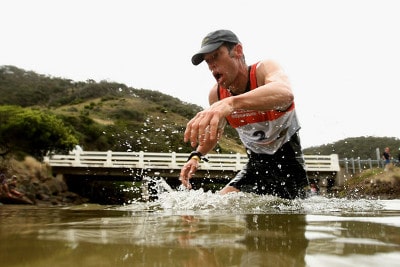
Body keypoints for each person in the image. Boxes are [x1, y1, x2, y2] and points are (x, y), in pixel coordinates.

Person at [179, 29, 309, 199]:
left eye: (216, 56)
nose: (211, 66)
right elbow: (214, 134)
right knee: (219, 205)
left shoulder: (263, 70)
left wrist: (232, 103)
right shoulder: (216, 95)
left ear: (238, 51)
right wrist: (196, 156)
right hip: (256, 164)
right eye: (207, 61)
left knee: (291, 219)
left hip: (288, 161)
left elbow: (285, 94)